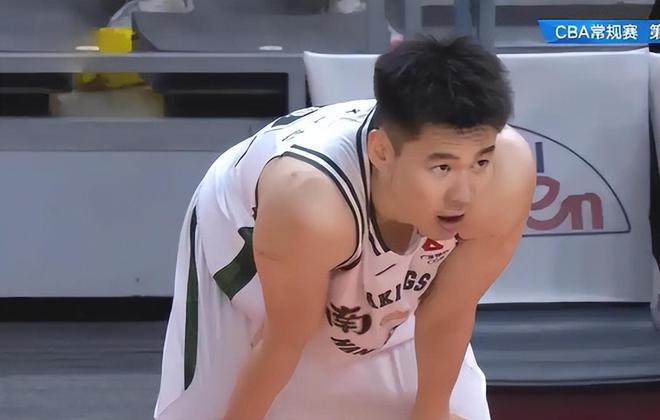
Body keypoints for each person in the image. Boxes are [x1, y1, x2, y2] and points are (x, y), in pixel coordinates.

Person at [154, 36, 536, 420]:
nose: (463, 195)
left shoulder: (507, 175)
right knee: (261, 377)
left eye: (480, 163)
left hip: (354, 215)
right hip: (246, 231)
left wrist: (431, 412)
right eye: (443, 168)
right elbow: (281, 343)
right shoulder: (308, 206)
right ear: (381, 151)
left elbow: (449, 312)